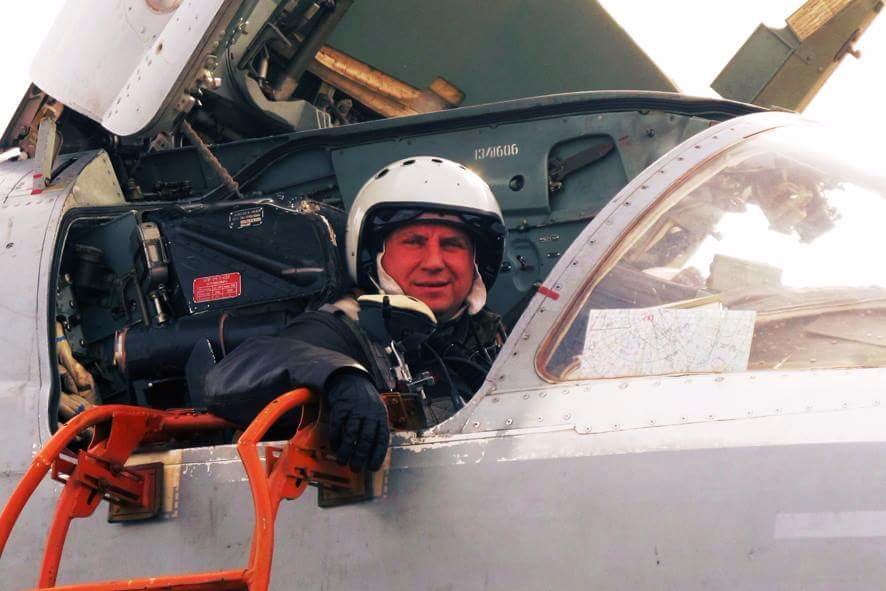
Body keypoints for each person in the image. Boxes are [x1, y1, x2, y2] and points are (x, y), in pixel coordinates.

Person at [203, 156, 508, 472]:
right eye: (413, 242)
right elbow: (230, 375)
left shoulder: (489, 342)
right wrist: (341, 377)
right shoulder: (346, 329)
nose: (434, 262)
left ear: (477, 261)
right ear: (373, 256)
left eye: (452, 244)